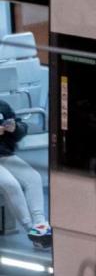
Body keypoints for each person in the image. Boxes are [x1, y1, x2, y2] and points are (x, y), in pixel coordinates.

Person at [0, 99, 48, 248]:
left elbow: (21, 129)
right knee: (10, 184)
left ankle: (40, 225)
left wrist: (15, 128)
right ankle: (30, 229)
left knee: (33, 177)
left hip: (5, 155)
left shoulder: (2, 105)